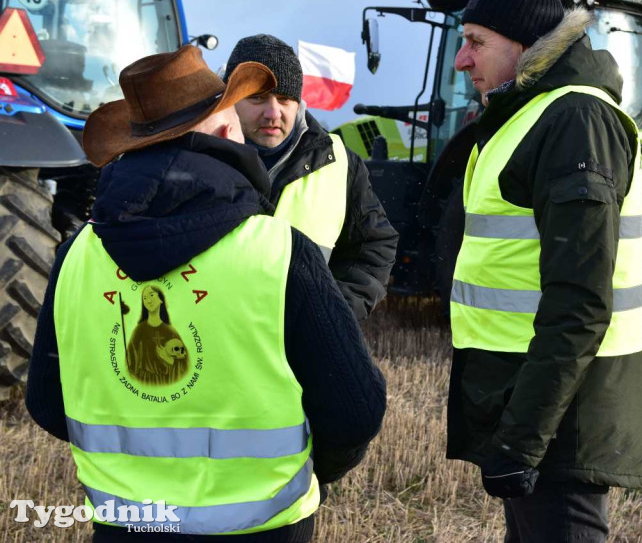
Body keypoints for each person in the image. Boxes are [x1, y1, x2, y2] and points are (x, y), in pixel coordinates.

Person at [25, 45, 387, 541]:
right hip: (264, 526)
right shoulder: (280, 252)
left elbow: (47, 402)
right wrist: (306, 468)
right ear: (222, 131)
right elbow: (355, 410)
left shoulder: (75, 256)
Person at [446, 0, 642, 542]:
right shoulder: (532, 116)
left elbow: (580, 301)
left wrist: (523, 435)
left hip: (563, 412)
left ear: (528, 46)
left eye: (476, 42)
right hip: (535, 397)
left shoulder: (575, 120)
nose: (464, 60)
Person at [222, 35, 398, 321]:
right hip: (219, 345)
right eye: (257, 98)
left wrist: (334, 313)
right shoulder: (195, 157)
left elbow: (374, 245)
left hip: (297, 356)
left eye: (285, 99)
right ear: (230, 98)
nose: (272, 113)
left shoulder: (339, 162)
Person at [125, 285, 189, 386]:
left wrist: (169, 360)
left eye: (151, 295)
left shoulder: (170, 331)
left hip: (169, 382)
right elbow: (130, 365)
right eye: (145, 298)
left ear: (161, 299)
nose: (148, 301)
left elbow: (184, 364)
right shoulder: (139, 331)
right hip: (145, 382)